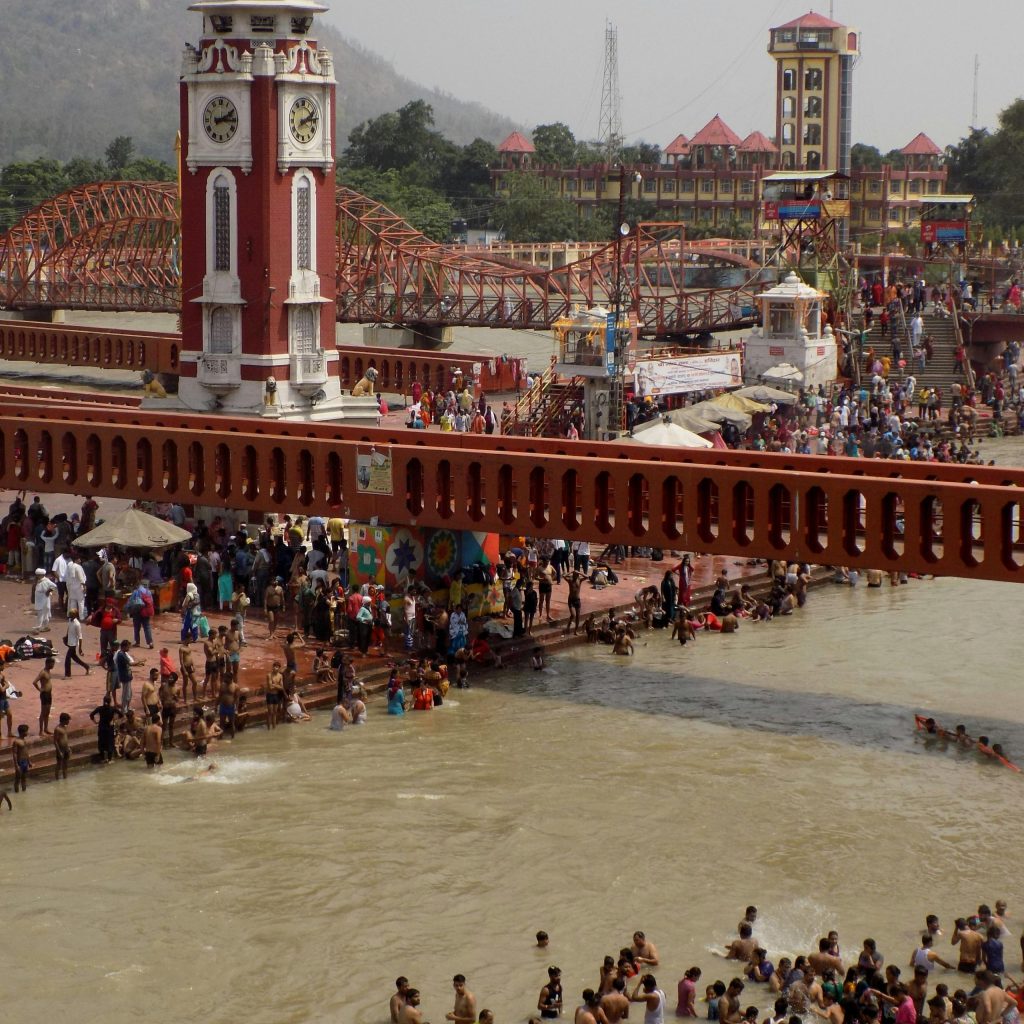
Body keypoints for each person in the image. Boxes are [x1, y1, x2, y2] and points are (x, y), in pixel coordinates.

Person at [90, 693, 119, 764]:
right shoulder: (112, 709)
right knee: (110, 743)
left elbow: (91, 715)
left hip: (102, 728)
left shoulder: (100, 708)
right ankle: (110, 759)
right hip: (109, 728)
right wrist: (113, 720)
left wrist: (95, 722)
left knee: (101, 743)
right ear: (110, 701)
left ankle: (102, 759)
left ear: (103, 701)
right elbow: (121, 714)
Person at [32, 656, 55, 735]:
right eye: (52, 664)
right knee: (43, 712)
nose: (53, 665)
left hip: (49, 694)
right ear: (48, 663)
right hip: (44, 694)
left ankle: (46, 728)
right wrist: (40, 690)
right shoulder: (43, 672)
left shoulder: (48, 671)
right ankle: (41, 730)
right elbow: (34, 682)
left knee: (48, 712)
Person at [64, 610, 91, 678]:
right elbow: (69, 628)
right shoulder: (70, 620)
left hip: (73, 643)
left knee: (67, 659)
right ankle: (87, 667)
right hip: (70, 642)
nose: (70, 615)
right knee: (75, 657)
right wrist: (66, 637)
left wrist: (80, 648)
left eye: (71, 614)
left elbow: (80, 636)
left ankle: (68, 675)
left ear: (75, 615)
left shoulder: (77, 624)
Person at [12, 723, 31, 792]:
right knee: (17, 779)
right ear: (22, 732)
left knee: (24, 778)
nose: (27, 732)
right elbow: (14, 754)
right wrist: (16, 765)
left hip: (25, 761)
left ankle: (24, 793)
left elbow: (26, 752)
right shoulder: (16, 741)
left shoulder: (24, 740)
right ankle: (16, 793)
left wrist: (29, 762)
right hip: (20, 762)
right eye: (26, 731)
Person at [53, 712, 71, 780]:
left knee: (65, 765)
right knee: (59, 765)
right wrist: (59, 751)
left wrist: (68, 747)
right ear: (63, 720)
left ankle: (65, 779)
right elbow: (55, 741)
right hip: (60, 749)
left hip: (66, 748)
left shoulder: (65, 727)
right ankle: (57, 779)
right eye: (68, 720)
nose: (68, 722)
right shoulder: (57, 729)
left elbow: (65, 738)